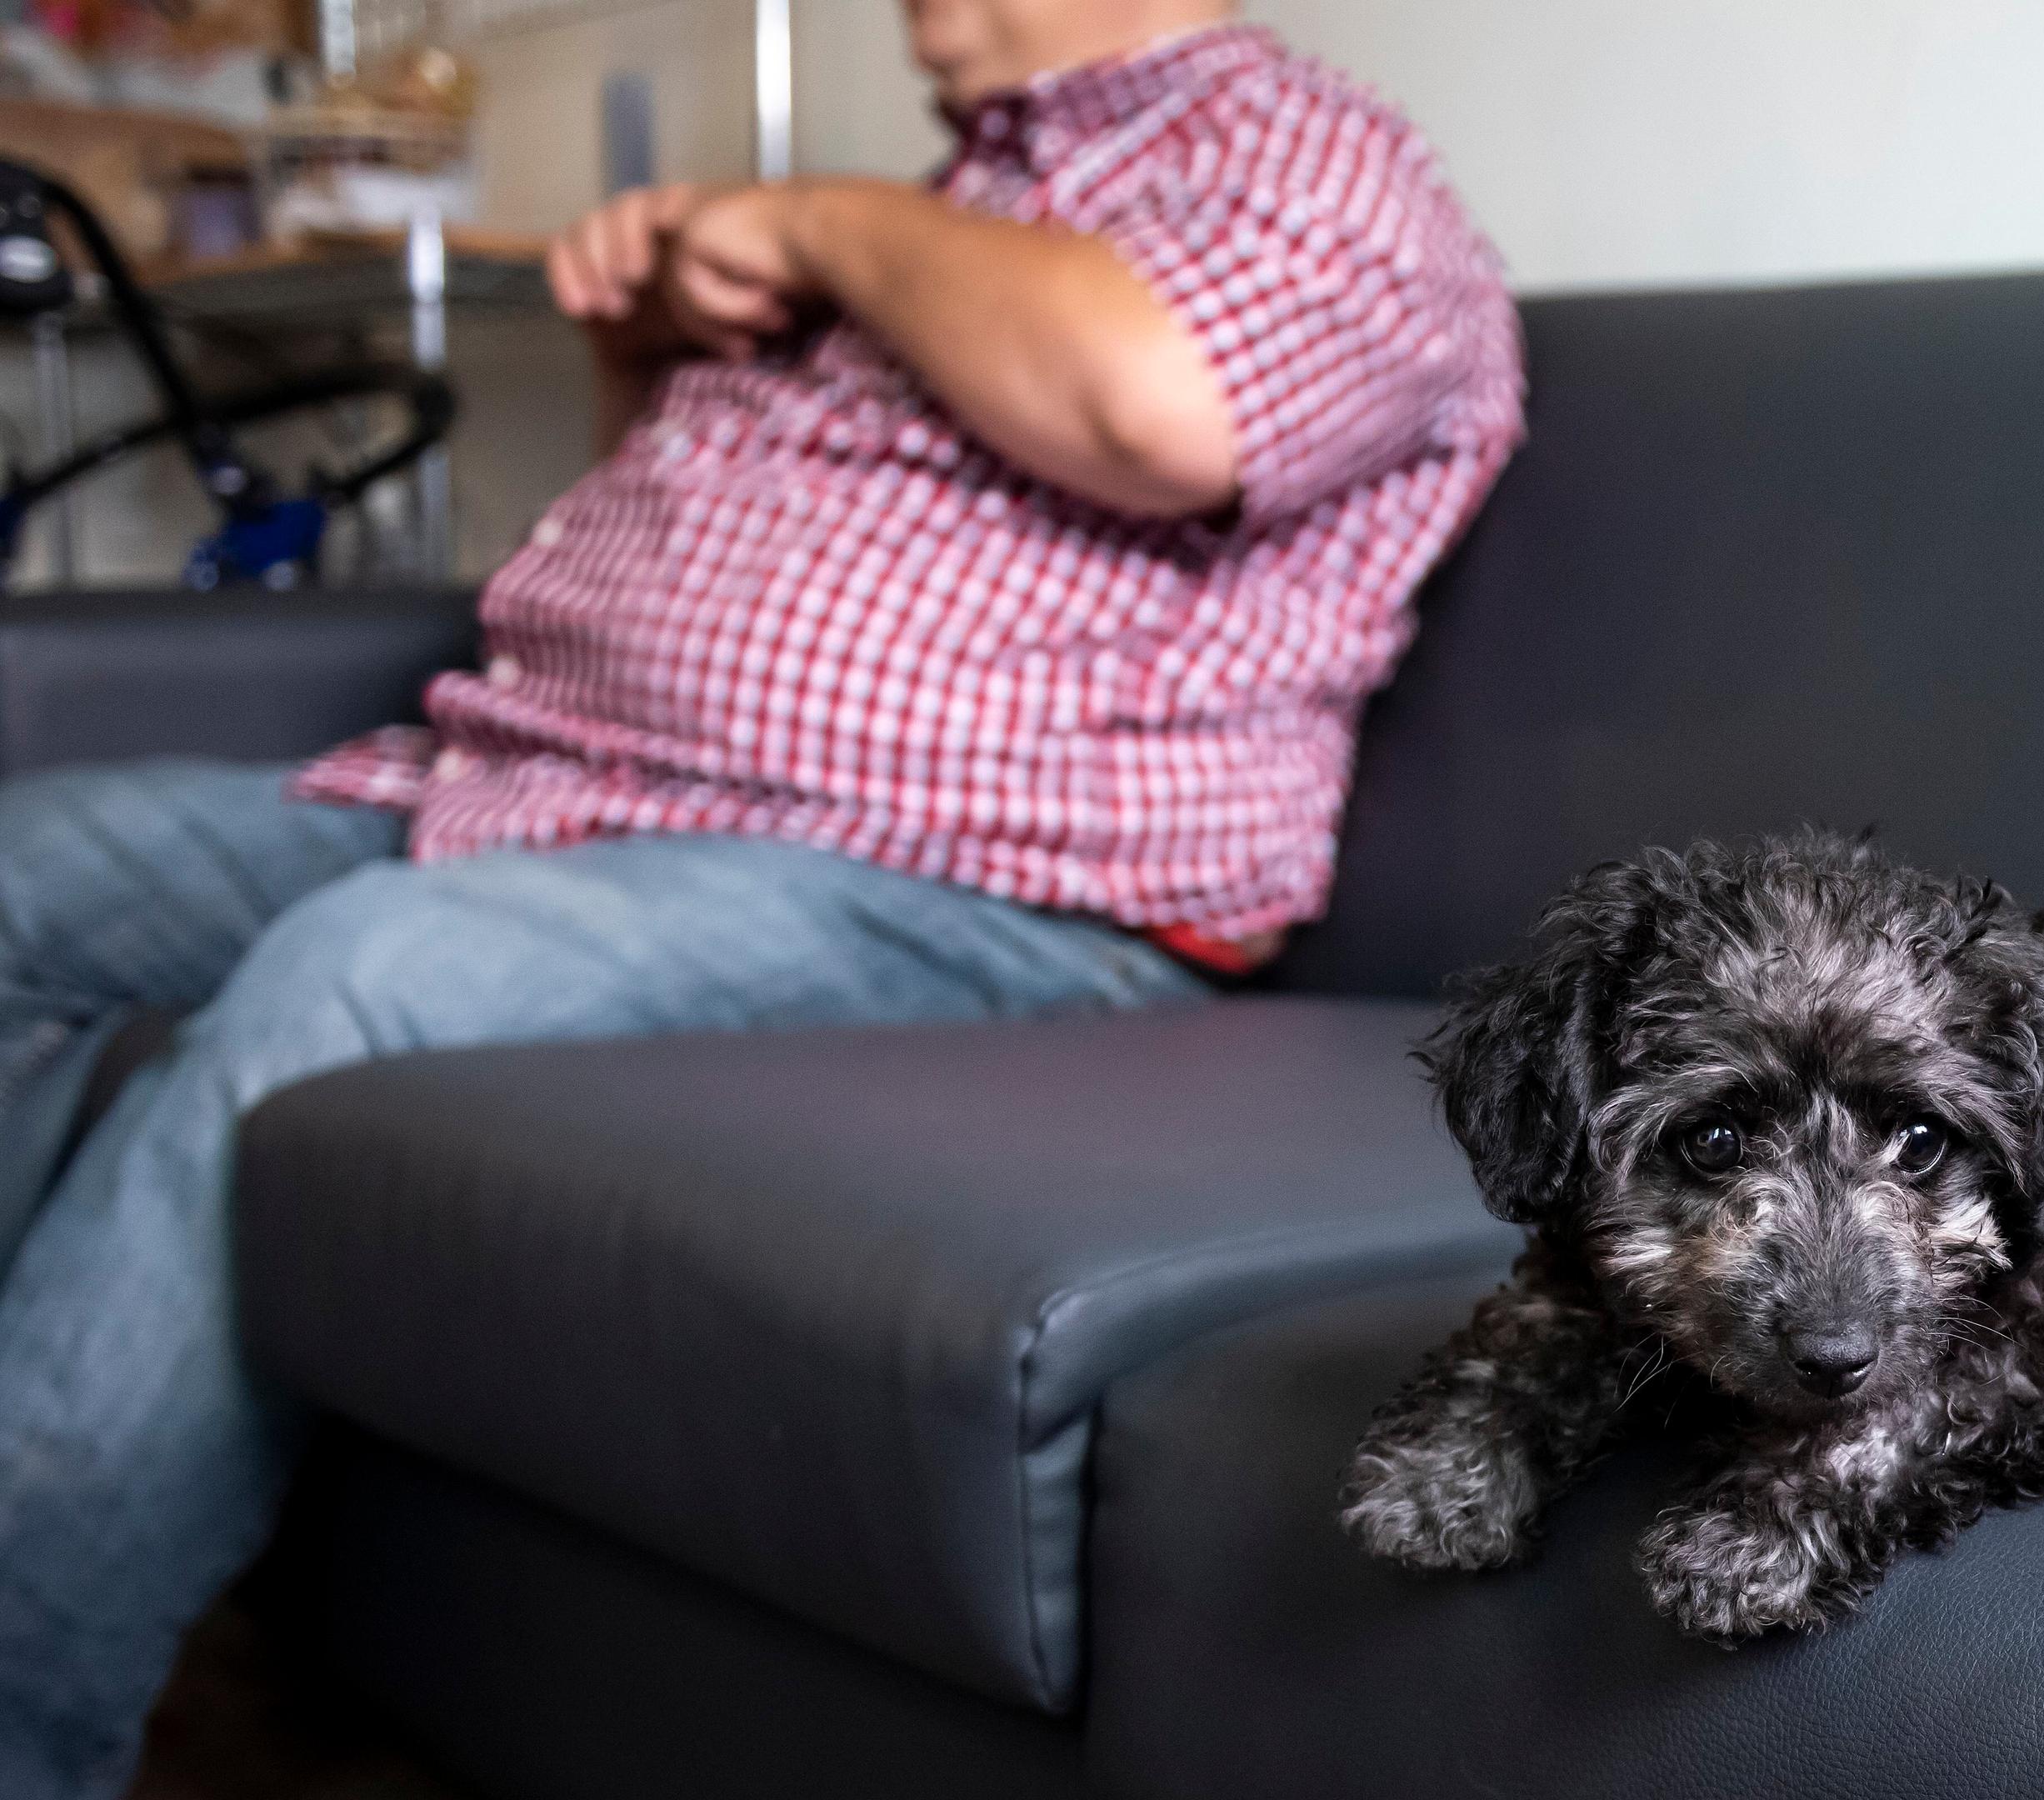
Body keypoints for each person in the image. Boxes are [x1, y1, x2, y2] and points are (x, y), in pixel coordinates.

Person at [0, 0, 1522, 1788]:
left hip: (963, 893)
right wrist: (649, 344)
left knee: (363, 974)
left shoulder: (1301, 161)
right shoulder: (972, 215)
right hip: (545, 794)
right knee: (30, 871)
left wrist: (812, 219)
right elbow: (690, 543)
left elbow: (1156, 412)